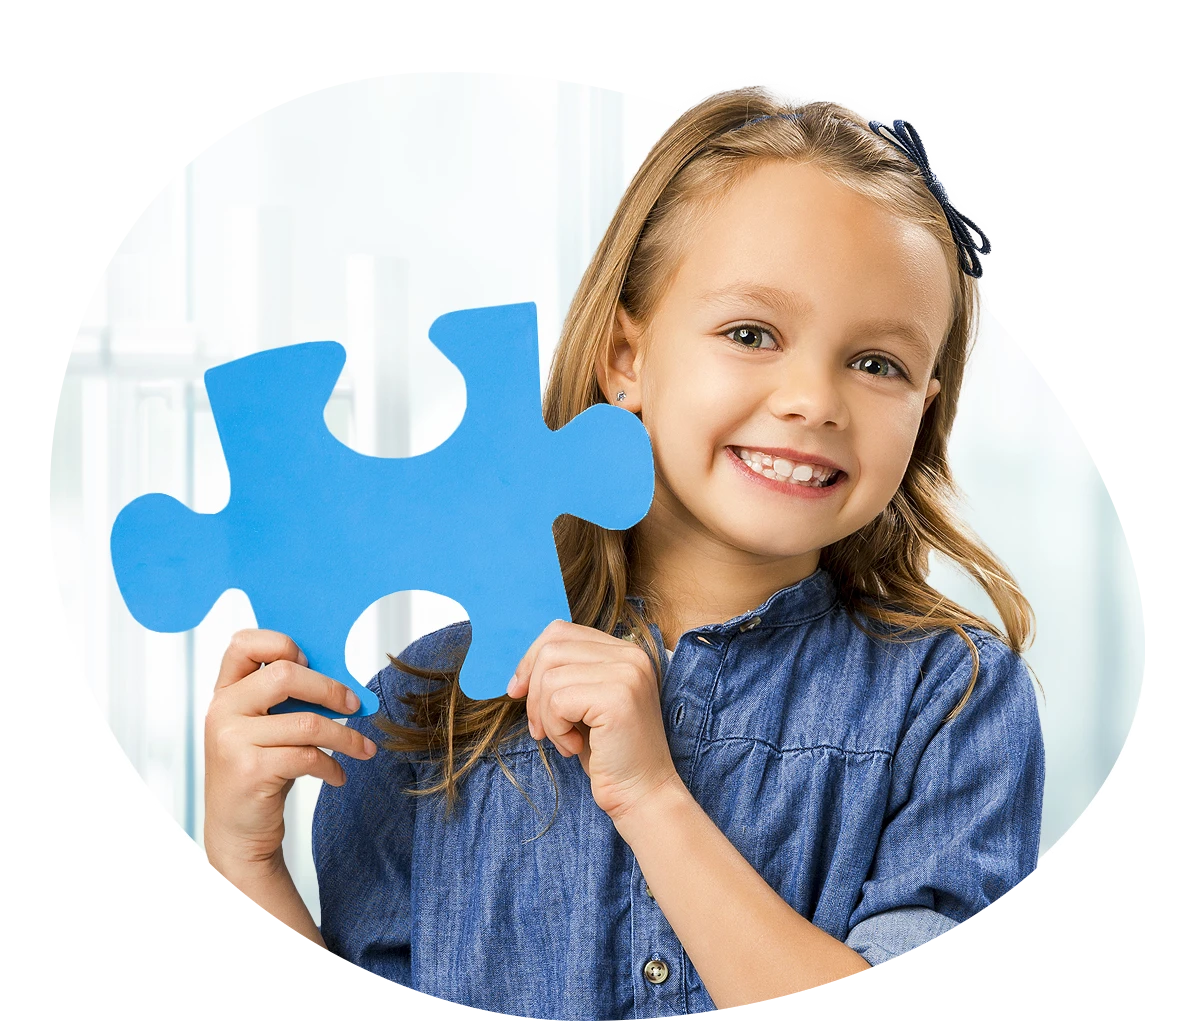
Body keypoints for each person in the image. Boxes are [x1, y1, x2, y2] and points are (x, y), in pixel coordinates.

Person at [203, 85, 1044, 1020]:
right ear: (625, 358)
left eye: (878, 362)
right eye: (751, 333)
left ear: (926, 403)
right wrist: (245, 865)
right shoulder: (428, 703)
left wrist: (652, 797)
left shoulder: (955, 701)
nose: (814, 398)